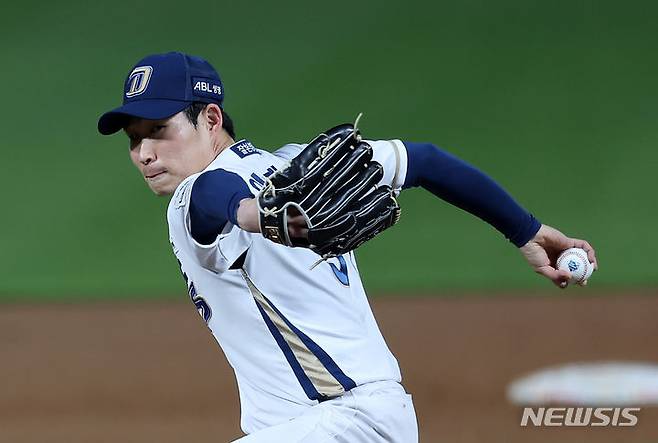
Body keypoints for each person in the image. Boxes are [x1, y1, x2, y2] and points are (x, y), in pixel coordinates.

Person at [98, 52, 598, 442]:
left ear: (210, 118)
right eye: (133, 138)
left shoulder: (199, 192)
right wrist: (525, 230)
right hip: (346, 424)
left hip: (343, 423)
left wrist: (253, 214)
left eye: (158, 131)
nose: (144, 153)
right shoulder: (297, 167)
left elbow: (213, 198)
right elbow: (423, 160)